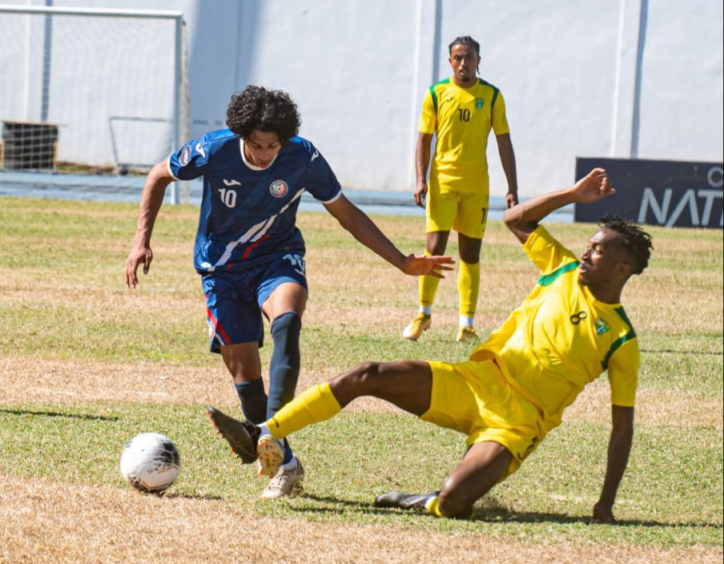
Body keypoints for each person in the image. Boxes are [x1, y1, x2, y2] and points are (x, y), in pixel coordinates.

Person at [209, 168, 653, 522]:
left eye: (597, 251)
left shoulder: (621, 340)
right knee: (367, 374)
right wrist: (573, 196)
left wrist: (605, 503)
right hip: (475, 381)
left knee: (456, 503)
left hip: (515, 426)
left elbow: (622, 428)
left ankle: (423, 501)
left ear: (622, 268)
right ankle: (262, 434)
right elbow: (517, 219)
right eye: (588, 244)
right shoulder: (559, 269)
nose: (585, 253)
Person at [124, 86, 452, 499]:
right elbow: (157, 176)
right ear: (241, 135)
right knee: (245, 374)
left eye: (272, 146)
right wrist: (141, 241)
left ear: (285, 139)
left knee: (287, 321)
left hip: (276, 259)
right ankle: (287, 462)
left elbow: (347, 214)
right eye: (255, 145)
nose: (263, 154)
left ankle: (269, 432)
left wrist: (401, 262)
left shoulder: (303, 158)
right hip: (219, 271)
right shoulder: (213, 150)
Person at [403, 35, 519, 342]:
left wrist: (512, 187)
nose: (463, 63)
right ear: (450, 61)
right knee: (434, 248)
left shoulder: (492, 96)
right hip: (442, 183)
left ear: (479, 60)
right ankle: (423, 315)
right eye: (458, 57)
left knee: (470, 255)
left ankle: (466, 325)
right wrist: (420, 179)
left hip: (476, 186)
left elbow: (503, 141)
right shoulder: (436, 93)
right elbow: (424, 139)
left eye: (469, 57)